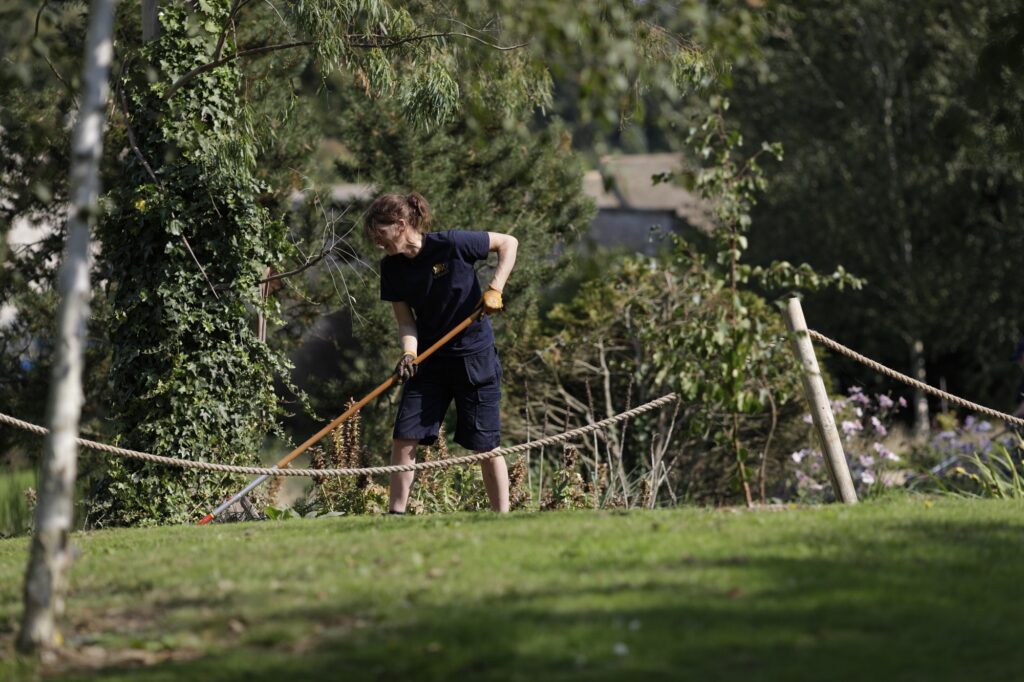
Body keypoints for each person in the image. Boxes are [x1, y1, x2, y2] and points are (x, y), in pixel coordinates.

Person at [364, 192, 519, 514]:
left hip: (474, 357)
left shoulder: (451, 244)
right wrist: (409, 355)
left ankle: (502, 517)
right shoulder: (391, 269)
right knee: (405, 436)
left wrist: (495, 289)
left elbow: (509, 243)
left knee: (485, 445)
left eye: (381, 233)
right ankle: (396, 514)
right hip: (429, 362)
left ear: (401, 224)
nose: (378, 242)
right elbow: (406, 321)